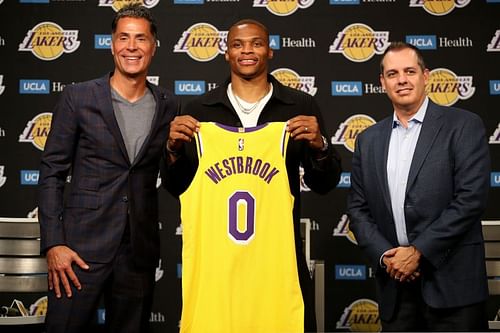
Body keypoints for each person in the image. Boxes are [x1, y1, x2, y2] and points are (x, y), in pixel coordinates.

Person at [160, 19, 341, 332]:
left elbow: (324, 184)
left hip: (278, 264)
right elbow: (178, 186)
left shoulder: (298, 106)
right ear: (227, 53)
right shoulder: (198, 111)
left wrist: (320, 145)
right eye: (238, 44)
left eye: (256, 43)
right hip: (216, 269)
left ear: (270, 51)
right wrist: (173, 150)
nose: (247, 51)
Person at [38, 4, 178, 332]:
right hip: (78, 250)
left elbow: (172, 176)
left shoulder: (169, 104)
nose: (132, 46)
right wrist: (54, 244)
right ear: (112, 44)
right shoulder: (78, 97)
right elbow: (51, 172)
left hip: (138, 252)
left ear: (154, 46)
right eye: (124, 38)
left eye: (141, 39)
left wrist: (175, 153)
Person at [347, 41, 490, 331]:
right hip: (396, 288)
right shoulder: (368, 139)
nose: (402, 80)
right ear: (382, 83)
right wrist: (388, 256)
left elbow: (470, 199)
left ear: (426, 76)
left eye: (410, 71)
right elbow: (357, 208)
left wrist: (418, 252)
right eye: (392, 73)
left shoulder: (463, 126)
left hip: (453, 288)